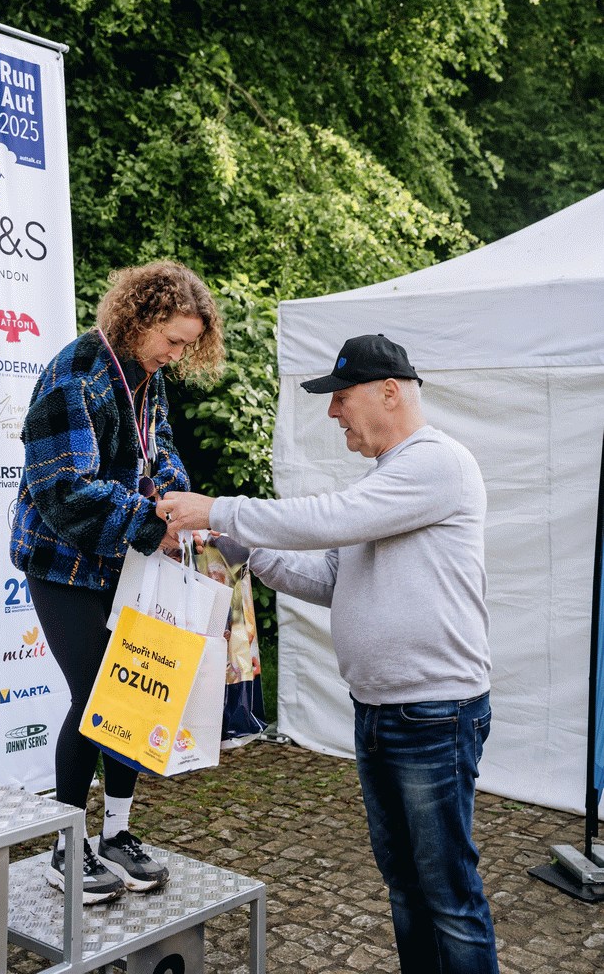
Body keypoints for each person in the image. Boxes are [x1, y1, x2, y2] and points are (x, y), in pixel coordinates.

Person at [157, 333, 499, 974]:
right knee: (406, 888)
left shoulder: (436, 464)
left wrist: (219, 509)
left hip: (433, 713)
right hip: (381, 709)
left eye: (342, 396)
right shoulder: (383, 483)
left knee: (449, 896)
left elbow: (327, 519)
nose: (333, 411)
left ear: (389, 392)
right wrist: (243, 548)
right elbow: (329, 581)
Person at [10, 259, 224, 904]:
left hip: (123, 561)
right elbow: (62, 489)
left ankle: (117, 834)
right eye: (173, 340)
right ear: (139, 318)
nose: (177, 355)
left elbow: (162, 453)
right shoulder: (74, 375)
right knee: (95, 698)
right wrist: (150, 522)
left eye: (187, 345)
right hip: (62, 566)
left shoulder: (144, 376)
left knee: (133, 695)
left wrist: (176, 504)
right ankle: (65, 845)